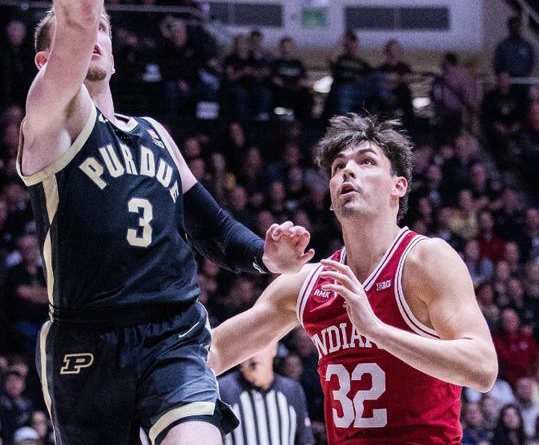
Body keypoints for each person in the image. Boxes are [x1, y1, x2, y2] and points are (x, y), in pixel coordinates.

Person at [18, 0, 313, 445]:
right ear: (45, 63)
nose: (94, 33)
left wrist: (268, 257)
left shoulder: (154, 134)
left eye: (105, 28)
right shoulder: (49, 123)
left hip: (174, 334)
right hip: (87, 340)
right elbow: (74, 15)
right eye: (82, 32)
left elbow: (212, 229)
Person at [209, 114, 498, 443]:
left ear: (398, 185)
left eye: (367, 161)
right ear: (331, 198)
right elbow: (215, 350)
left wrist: (375, 330)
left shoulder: (425, 260)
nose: (347, 170)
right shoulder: (307, 284)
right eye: (337, 167)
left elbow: (482, 367)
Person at [218, 342, 313, 445]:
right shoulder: (222, 389)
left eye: (260, 345)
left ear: (274, 348)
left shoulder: (292, 390)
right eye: (247, 347)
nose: (253, 354)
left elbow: (305, 440)